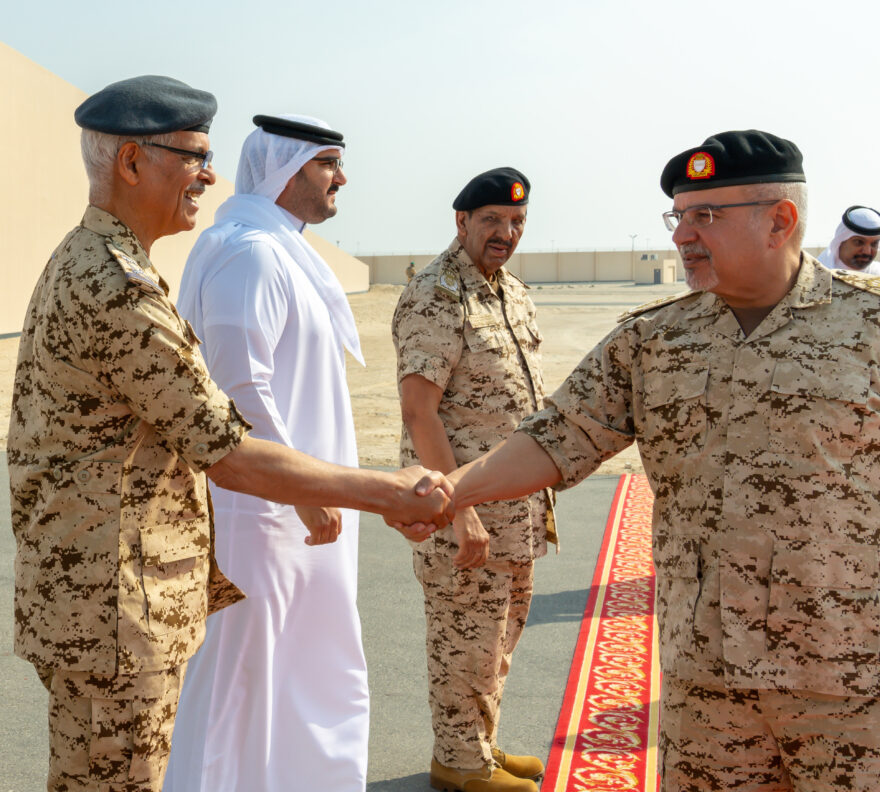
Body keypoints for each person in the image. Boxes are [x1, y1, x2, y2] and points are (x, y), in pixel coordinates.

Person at [440, 131, 880, 790]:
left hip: (859, 687)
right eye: (678, 216)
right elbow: (555, 437)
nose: (683, 235)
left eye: (706, 215)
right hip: (706, 689)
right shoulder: (654, 339)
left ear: (780, 220)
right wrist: (449, 491)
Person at [7, 76, 449, 792]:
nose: (209, 177)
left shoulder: (101, 262)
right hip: (113, 607)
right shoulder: (116, 286)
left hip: (103, 596)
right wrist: (385, 491)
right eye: (193, 157)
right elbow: (230, 447)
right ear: (131, 162)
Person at [164, 114, 372, 791]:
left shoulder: (280, 249)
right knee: (236, 693)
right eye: (327, 163)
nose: (341, 178)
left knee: (304, 678)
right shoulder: (249, 253)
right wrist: (302, 492)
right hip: (259, 516)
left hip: (296, 514)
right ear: (284, 168)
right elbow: (238, 389)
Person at [392, 167, 555, 792]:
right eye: (492, 220)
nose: (505, 233)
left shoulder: (511, 292)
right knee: (464, 639)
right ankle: (460, 763)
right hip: (463, 508)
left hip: (516, 506)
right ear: (461, 222)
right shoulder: (437, 294)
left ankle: (479, 745)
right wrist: (458, 509)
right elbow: (419, 412)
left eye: (516, 222)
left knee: (498, 637)